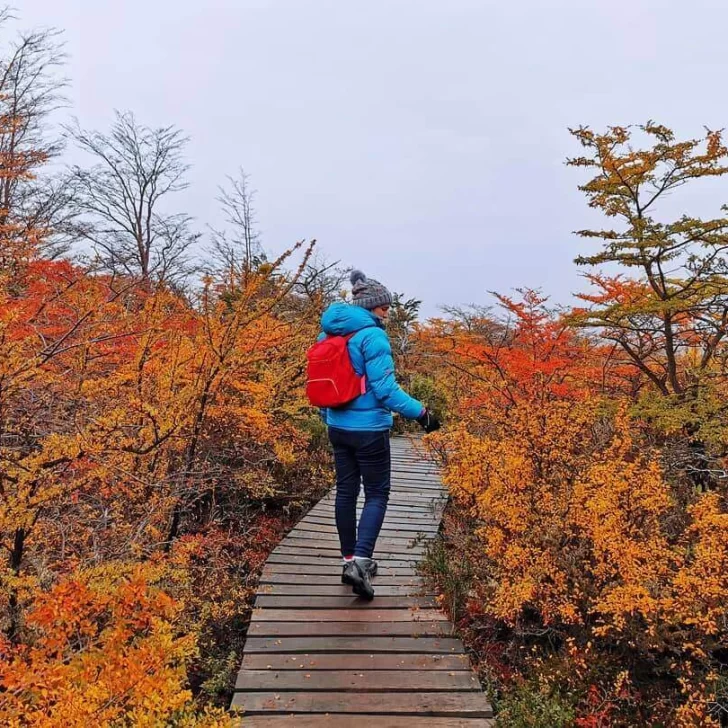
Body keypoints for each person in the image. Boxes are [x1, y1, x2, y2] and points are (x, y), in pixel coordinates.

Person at [318, 269, 440, 600]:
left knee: (346, 493)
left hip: (337, 427)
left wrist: (328, 417)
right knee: (376, 493)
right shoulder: (372, 337)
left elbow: (320, 384)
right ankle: (360, 562)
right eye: (384, 308)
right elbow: (386, 391)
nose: (388, 312)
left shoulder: (328, 334)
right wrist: (422, 413)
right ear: (372, 307)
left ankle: (348, 562)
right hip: (369, 430)